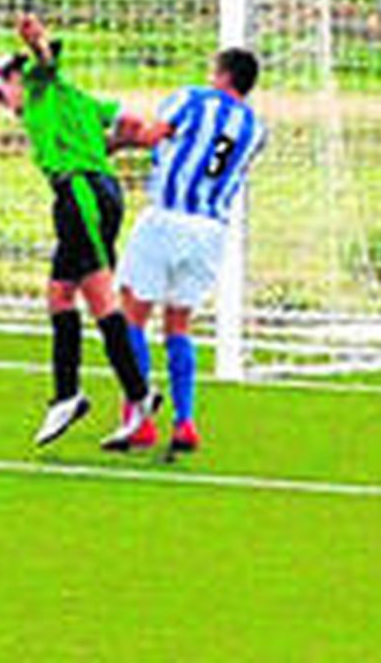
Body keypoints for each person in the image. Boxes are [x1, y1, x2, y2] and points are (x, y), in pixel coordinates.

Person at [0, 13, 161, 448]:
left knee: (100, 298)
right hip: (95, 193)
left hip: (79, 194)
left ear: (13, 80)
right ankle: (72, 395)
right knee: (60, 294)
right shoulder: (73, 98)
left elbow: (43, 62)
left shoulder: (41, 88)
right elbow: (129, 123)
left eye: (1, 94)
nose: (7, 106)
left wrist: (37, 42)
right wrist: (109, 149)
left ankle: (131, 394)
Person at [114, 48, 266, 455]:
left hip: (167, 218)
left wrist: (115, 140)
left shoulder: (191, 99)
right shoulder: (255, 128)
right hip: (210, 231)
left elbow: (150, 136)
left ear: (221, 75)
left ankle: (138, 419)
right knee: (179, 324)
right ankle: (185, 421)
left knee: (133, 313)